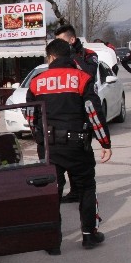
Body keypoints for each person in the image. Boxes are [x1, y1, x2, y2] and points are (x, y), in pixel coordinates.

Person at [25, 39, 112, 254]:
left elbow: (30, 114)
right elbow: (93, 112)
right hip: (78, 145)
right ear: (70, 56)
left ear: (51, 57)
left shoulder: (37, 82)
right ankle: (89, 236)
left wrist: (40, 140)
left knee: (52, 192)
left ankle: (53, 243)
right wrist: (105, 142)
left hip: (50, 147)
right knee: (86, 188)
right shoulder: (82, 78)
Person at [54, 25, 99, 203]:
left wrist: (72, 55)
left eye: (62, 42)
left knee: (82, 150)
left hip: (86, 105)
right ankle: (73, 191)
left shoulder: (89, 54)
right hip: (68, 106)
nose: (60, 46)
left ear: (71, 40)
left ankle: (83, 190)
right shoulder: (61, 57)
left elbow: (89, 72)